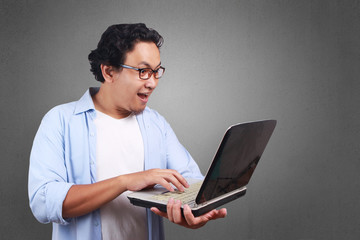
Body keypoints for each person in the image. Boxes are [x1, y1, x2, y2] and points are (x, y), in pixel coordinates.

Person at [28, 23, 227, 240]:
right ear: (109, 71)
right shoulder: (60, 121)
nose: (152, 83)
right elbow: (43, 202)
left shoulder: (156, 124)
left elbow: (190, 181)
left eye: (156, 71)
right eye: (143, 71)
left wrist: (193, 211)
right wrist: (124, 182)